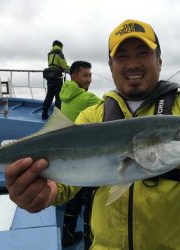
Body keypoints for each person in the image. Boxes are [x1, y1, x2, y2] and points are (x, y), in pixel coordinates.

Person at [5, 19, 180, 249]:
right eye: (122, 57)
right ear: (111, 66)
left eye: (143, 53)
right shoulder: (92, 115)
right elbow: (64, 184)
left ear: (159, 61)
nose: (133, 64)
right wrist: (45, 191)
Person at [59, 60, 101, 247]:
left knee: (73, 198)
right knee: (88, 196)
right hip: (85, 154)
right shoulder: (87, 98)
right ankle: (88, 238)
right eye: (85, 75)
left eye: (90, 75)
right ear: (73, 76)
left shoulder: (64, 94)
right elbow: (112, 109)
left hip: (67, 153)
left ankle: (67, 233)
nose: (89, 79)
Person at [42, 40, 70, 120]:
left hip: (49, 77)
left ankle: (44, 114)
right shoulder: (60, 54)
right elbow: (64, 66)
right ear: (60, 46)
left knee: (49, 96)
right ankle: (56, 117)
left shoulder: (50, 54)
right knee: (58, 97)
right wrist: (73, 70)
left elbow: (51, 65)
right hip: (57, 77)